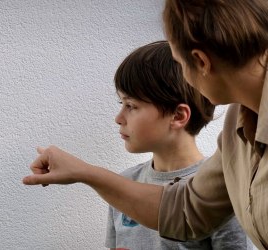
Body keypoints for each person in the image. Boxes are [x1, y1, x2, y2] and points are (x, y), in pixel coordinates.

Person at [23, 0, 268, 248]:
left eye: (180, 63)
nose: (184, 77)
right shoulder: (238, 124)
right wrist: (84, 172)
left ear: (201, 62)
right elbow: (188, 210)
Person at [104, 41, 250, 249]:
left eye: (131, 106)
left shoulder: (223, 192)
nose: (119, 118)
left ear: (178, 115)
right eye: (122, 104)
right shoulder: (124, 184)